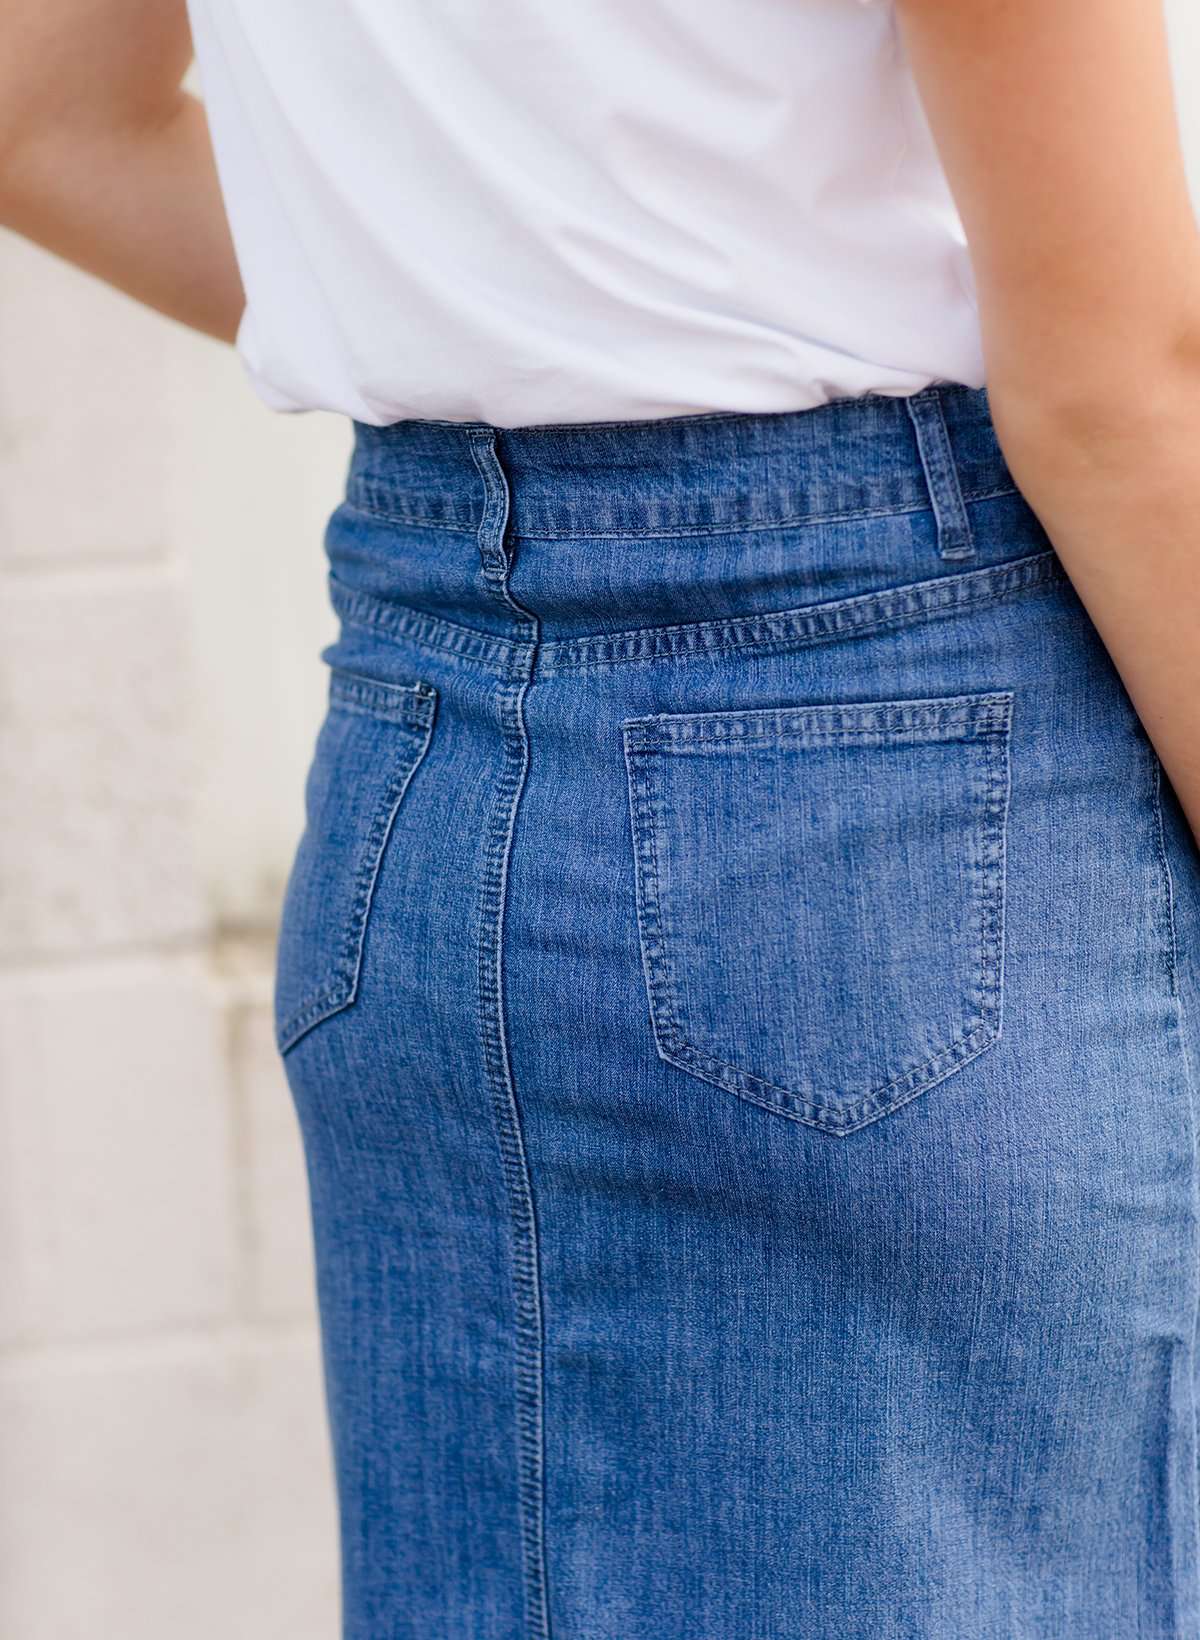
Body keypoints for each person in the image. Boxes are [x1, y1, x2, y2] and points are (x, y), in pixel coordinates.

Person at [4, 2, 1200, 1634]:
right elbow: (1125, 390)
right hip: (890, 764)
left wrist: (508, 318)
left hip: (425, 753)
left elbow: (47, 122)